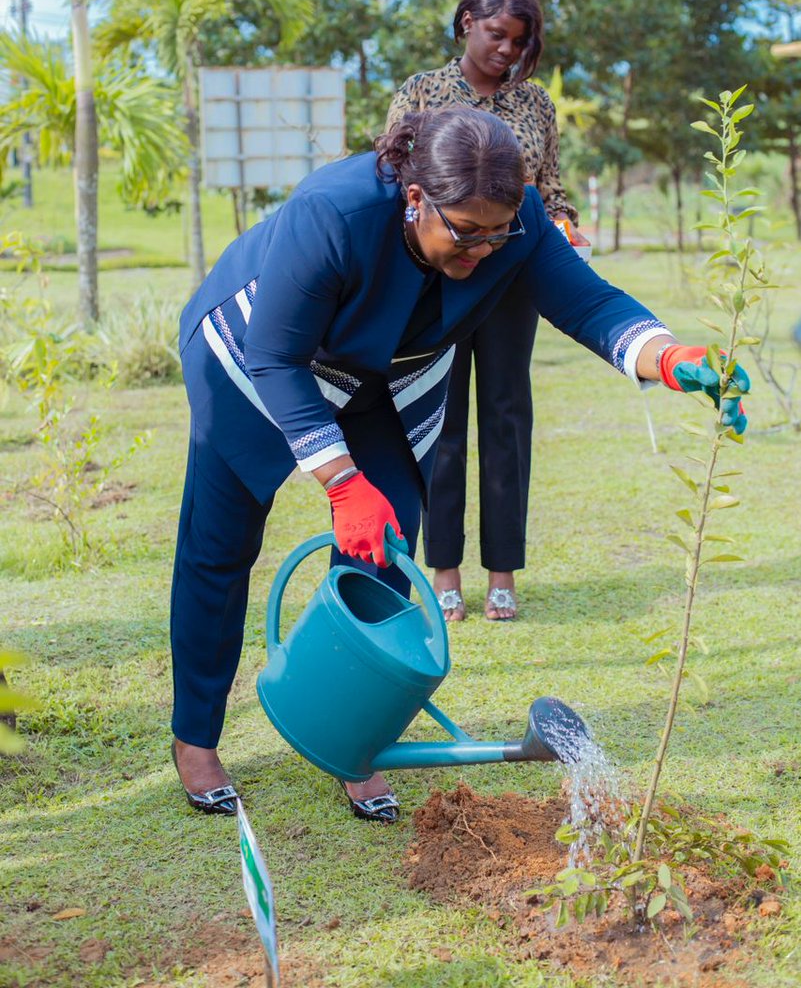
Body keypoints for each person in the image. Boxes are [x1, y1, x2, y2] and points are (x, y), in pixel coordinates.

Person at [170, 105, 749, 823]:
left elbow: (587, 300)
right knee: (220, 549)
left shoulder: (516, 223)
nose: (482, 250)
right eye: (465, 232)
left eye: (498, 231)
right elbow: (275, 356)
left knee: (383, 550)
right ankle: (195, 736)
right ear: (416, 199)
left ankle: (352, 742)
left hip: (385, 376)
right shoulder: (334, 212)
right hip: (258, 359)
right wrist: (341, 481)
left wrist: (665, 355)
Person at [387, 0, 590, 623]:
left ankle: (502, 573)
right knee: (441, 423)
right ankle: (443, 572)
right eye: (498, 35)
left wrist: (563, 220)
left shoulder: (533, 105)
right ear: (467, 21)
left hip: (510, 277)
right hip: (439, 280)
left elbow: (548, 186)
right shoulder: (421, 92)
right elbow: (393, 184)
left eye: (520, 41)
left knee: (506, 418)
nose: (506, 50)